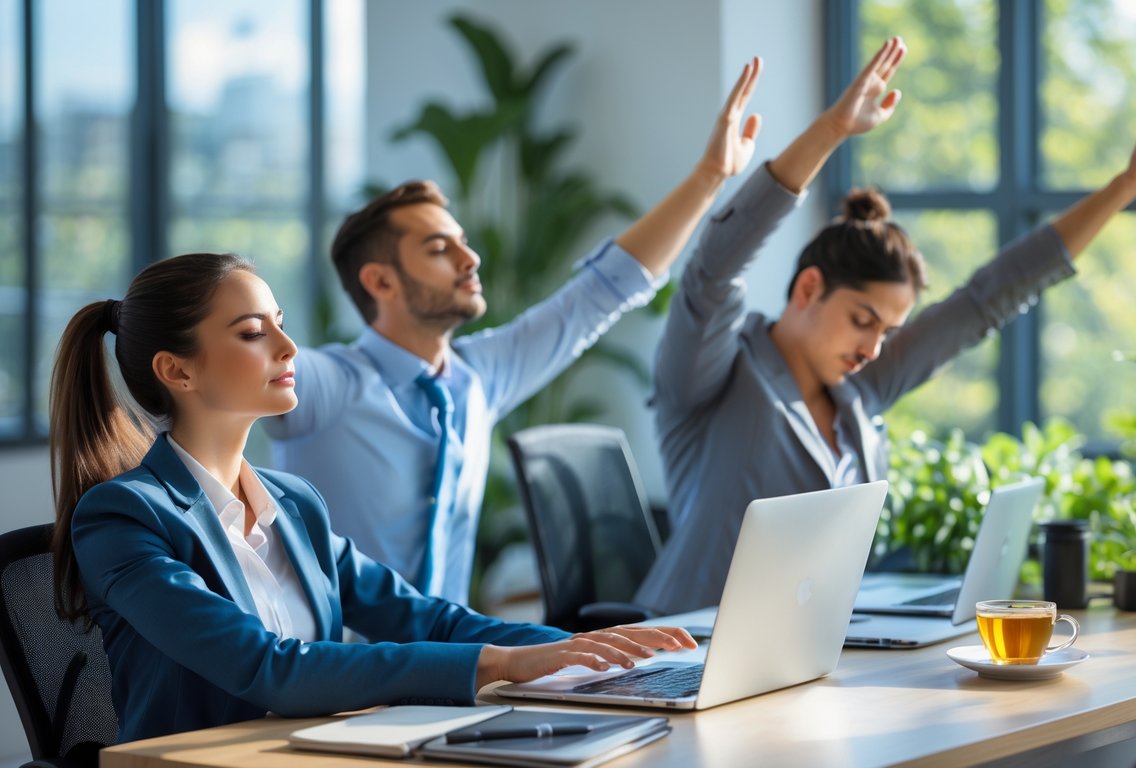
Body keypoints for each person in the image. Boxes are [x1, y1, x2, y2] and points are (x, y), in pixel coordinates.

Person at [635, 37, 1136, 614]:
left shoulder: (858, 390)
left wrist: (1128, 185)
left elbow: (986, 300)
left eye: (887, 329)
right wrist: (832, 130)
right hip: (684, 652)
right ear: (809, 288)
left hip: (809, 657)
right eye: (863, 320)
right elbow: (713, 268)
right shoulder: (712, 372)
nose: (873, 346)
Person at [50, 252, 696, 743]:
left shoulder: (292, 503)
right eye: (253, 333)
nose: (287, 346)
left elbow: (425, 619)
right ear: (177, 370)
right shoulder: (124, 516)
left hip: (321, 752)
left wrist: (589, 654)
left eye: (279, 323)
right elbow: (267, 668)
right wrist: (505, 661)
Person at [261, 59, 767, 604]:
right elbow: (216, 363)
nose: (469, 257)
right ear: (380, 280)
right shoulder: (325, 386)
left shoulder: (478, 379)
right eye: (438, 249)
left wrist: (711, 177)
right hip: (340, 677)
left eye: (462, 241)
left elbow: (603, 292)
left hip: (445, 673)